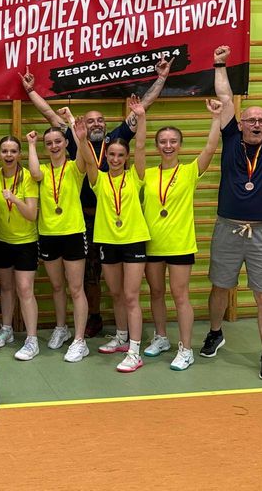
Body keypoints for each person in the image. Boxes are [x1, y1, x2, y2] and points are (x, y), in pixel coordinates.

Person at [21, 58, 171, 338]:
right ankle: (94, 317)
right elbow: (49, 115)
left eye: (100, 119)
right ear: (83, 124)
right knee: (90, 274)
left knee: (118, 275)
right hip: (84, 218)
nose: (96, 123)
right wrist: (30, 91)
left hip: (116, 218)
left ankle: (125, 328)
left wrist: (161, 78)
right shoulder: (73, 138)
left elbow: (143, 107)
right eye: (90, 120)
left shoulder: (116, 139)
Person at [202, 44, 262, 381]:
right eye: (251, 119)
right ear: (240, 123)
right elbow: (225, 97)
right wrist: (219, 63)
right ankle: (215, 332)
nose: (256, 123)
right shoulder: (230, 137)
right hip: (227, 227)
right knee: (219, 287)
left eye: (261, 120)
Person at [141, 97, 223, 371]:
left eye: (173, 141)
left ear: (180, 145)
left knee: (180, 296)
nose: (168, 145)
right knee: (156, 292)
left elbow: (210, 148)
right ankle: (161, 337)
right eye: (163, 141)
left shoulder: (189, 171)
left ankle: (186, 349)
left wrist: (216, 118)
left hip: (180, 244)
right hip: (152, 244)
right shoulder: (147, 174)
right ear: (156, 146)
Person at [74, 96, 150, 373]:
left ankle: (135, 351)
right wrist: (82, 139)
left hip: (133, 241)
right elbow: (87, 161)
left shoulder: (135, 176)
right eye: (111, 155)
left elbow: (140, 144)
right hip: (108, 241)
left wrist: (141, 117)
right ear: (105, 157)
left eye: (120, 155)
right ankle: (120, 336)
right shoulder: (99, 179)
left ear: (126, 158)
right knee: (116, 293)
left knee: (131, 296)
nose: (115, 159)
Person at [26, 124, 90, 362]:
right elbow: (34, 173)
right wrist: (31, 144)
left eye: (58, 141)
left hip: (72, 233)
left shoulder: (74, 167)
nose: (54, 146)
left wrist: (81, 139)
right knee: (56, 286)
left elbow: (85, 159)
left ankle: (80, 340)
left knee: (76, 288)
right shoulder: (43, 170)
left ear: (66, 143)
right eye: (49, 143)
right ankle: (62, 328)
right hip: (48, 234)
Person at [0, 135, 40, 360]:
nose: (8, 155)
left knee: (25, 289)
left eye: (13, 151)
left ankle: (32, 340)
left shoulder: (28, 177)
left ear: (20, 154)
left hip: (25, 241)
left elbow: (31, 214)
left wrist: (15, 199)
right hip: (0, 239)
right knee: (6, 287)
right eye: (4, 151)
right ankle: (7, 328)